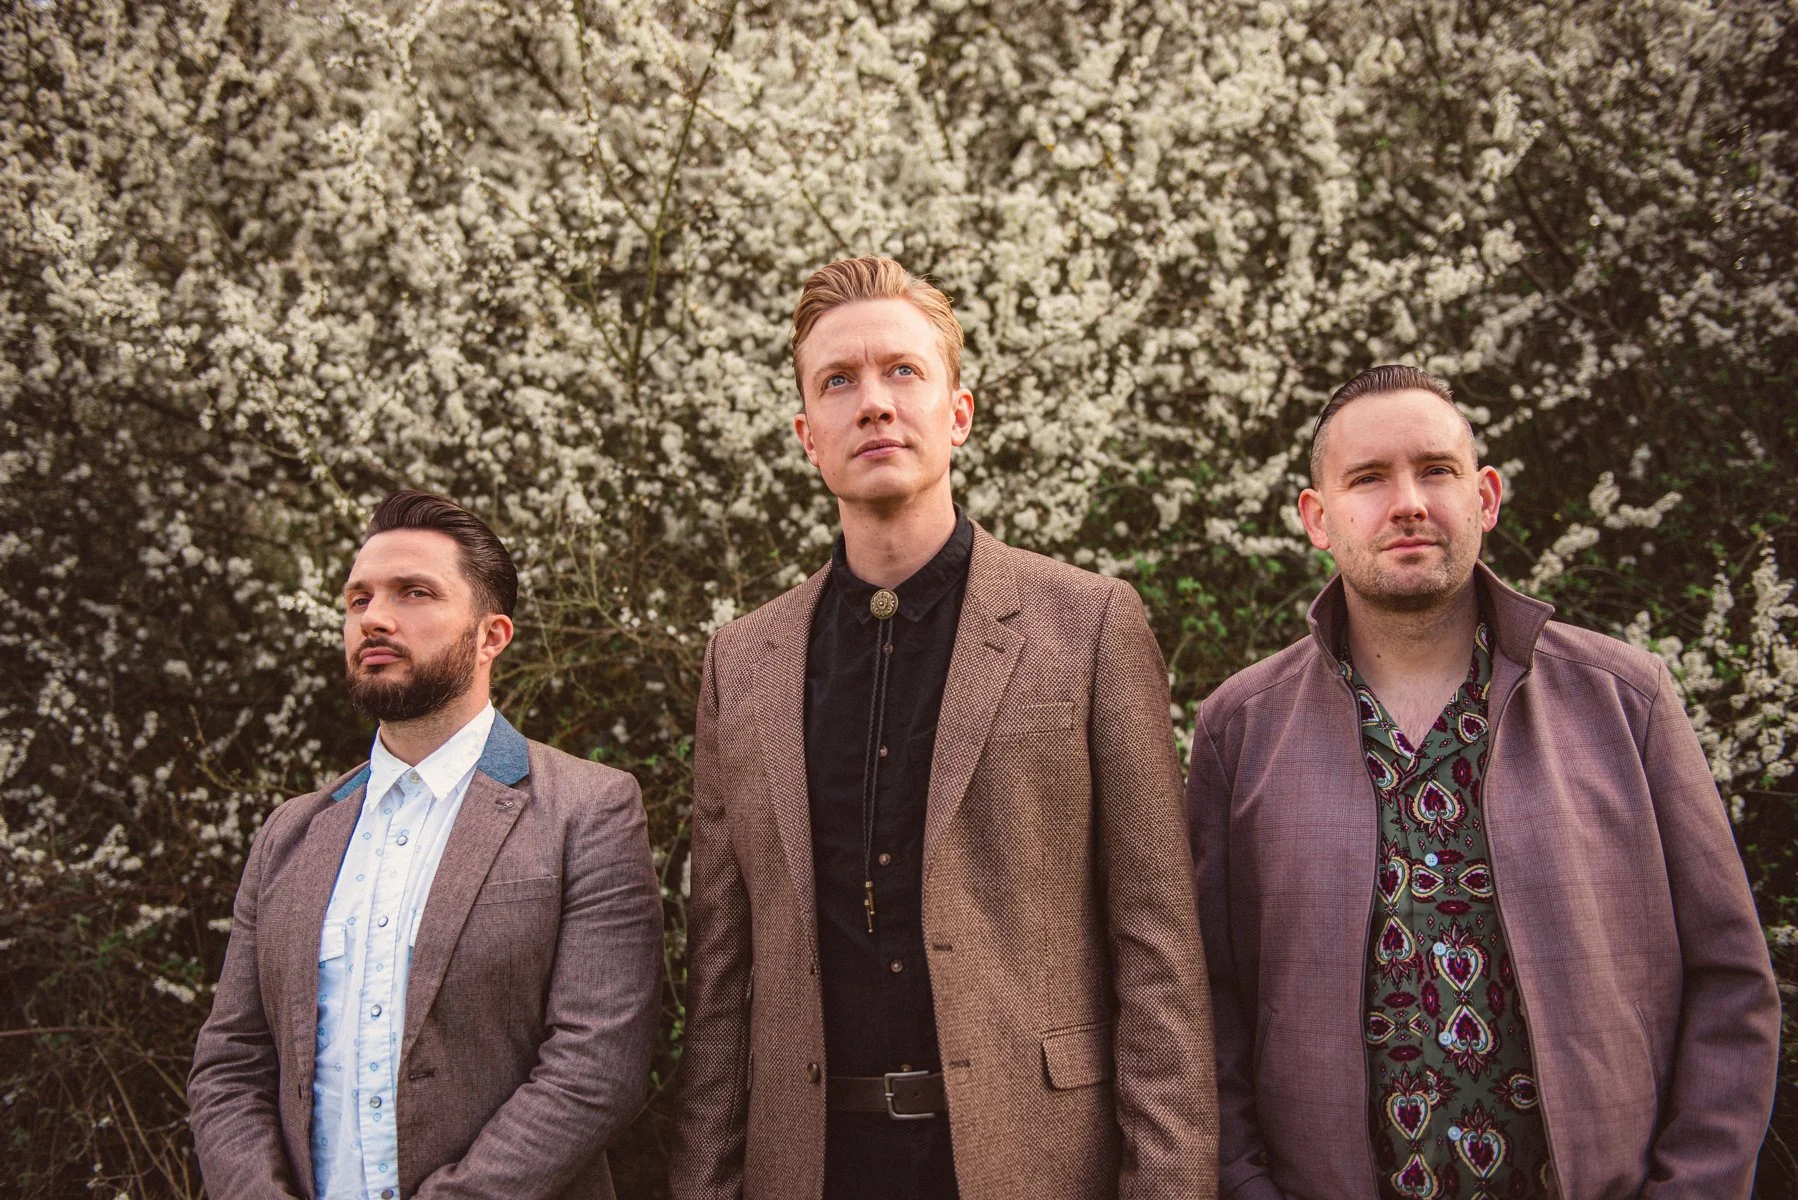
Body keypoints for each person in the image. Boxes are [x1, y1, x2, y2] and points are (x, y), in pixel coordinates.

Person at [668, 256, 1217, 1200]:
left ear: (958, 413)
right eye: (838, 381)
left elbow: (1158, 948)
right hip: (811, 1171)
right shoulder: (741, 661)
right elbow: (723, 980)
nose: (873, 402)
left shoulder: (1087, 625)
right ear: (807, 435)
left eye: (903, 372)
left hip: (1035, 1164)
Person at [1187, 365, 1780, 1199]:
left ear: (1486, 497)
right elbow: (1204, 1007)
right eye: (1368, 478)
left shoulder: (1624, 701)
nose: (1408, 502)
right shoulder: (1238, 732)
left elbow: (1732, 984)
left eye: (1436, 470)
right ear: (1317, 518)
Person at [189, 490, 662, 1200]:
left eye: (414, 593)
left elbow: (597, 1065)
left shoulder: (587, 810)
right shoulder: (290, 834)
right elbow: (229, 1065)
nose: (374, 618)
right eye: (358, 600)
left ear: (491, 635)